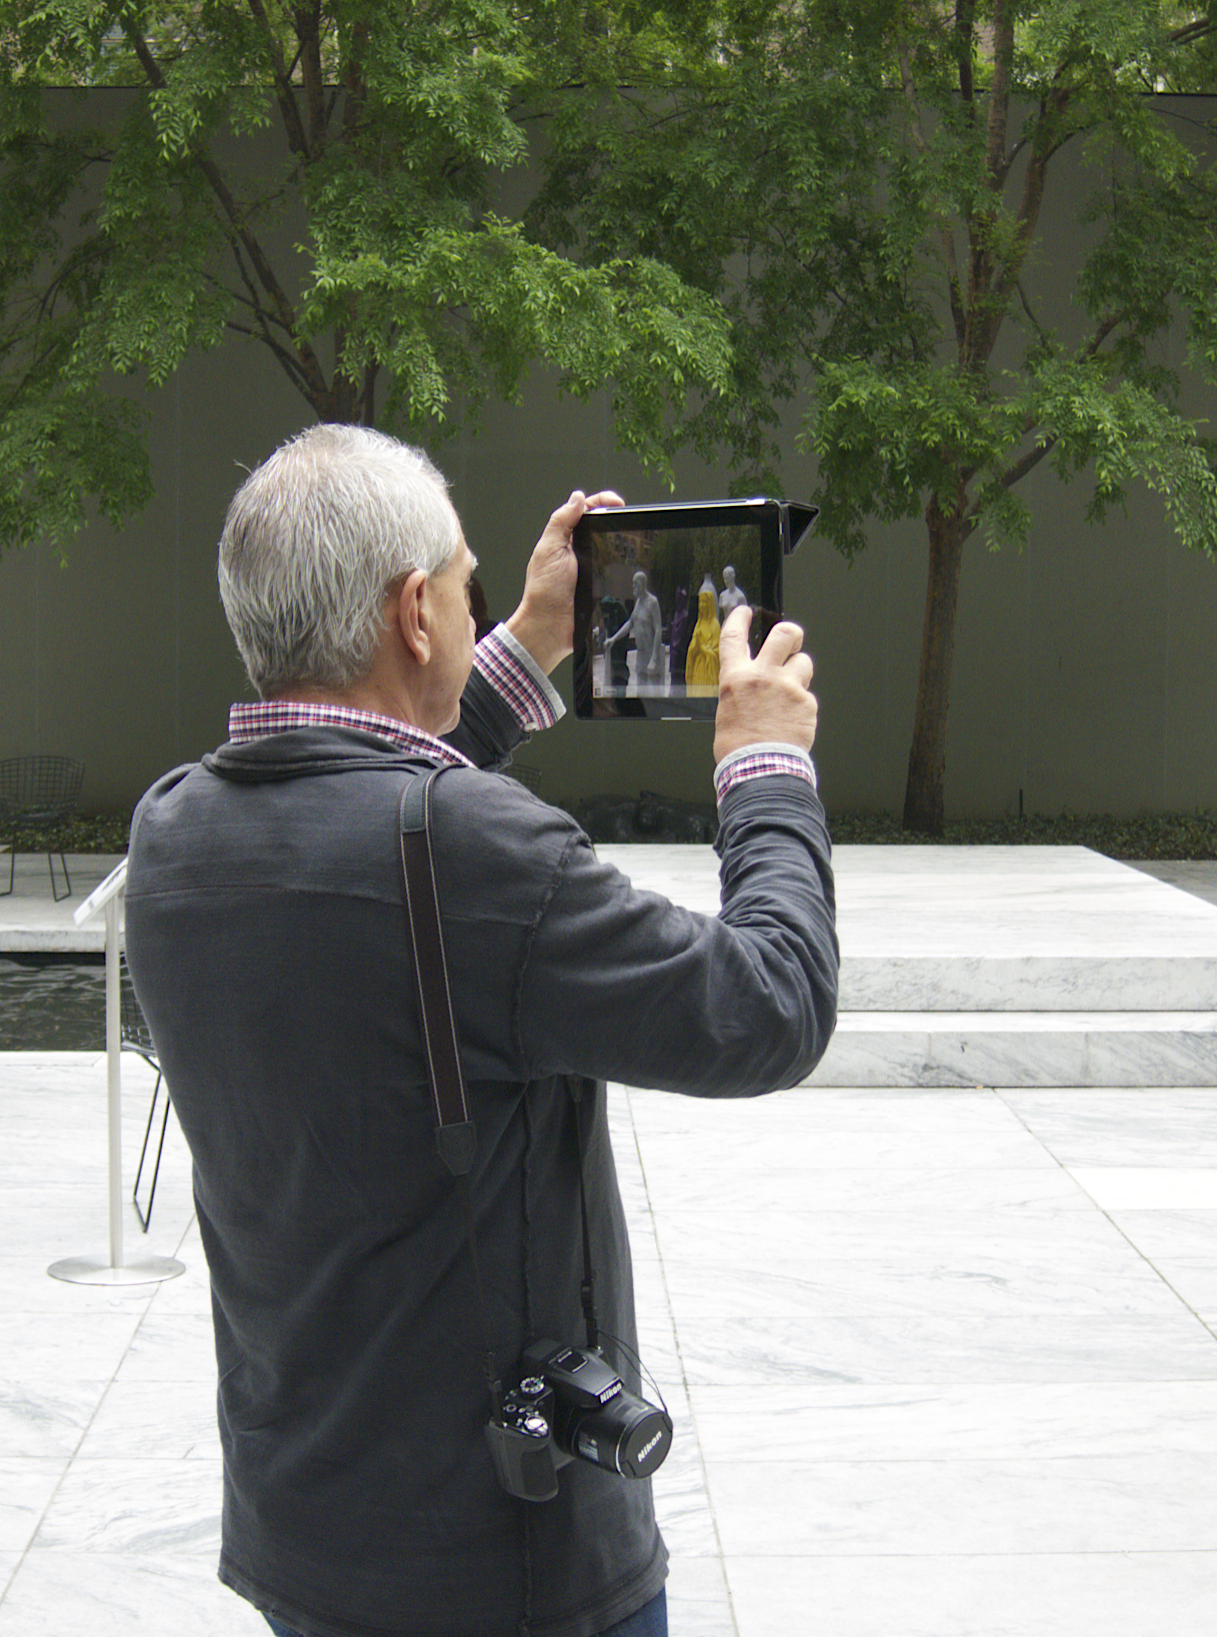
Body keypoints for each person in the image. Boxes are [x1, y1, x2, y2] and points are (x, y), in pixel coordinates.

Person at [123, 423, 837, 1637]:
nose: (473, 604)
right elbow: (769, 1006)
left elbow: (358, 800)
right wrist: (762, 768)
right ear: (414, 613)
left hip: (308, 1522)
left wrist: (531, 645)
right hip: (505, 1563)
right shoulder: (479, 851)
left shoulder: (173, 831)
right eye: (465, 586)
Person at [605, 570, 665, 690]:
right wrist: (613, 639)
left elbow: (658, 628)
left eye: (636, 583)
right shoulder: (638, 603)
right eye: (633, 583)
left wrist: (654, 657)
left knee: (654, 692)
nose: (633, 586)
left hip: (651, 653)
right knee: (641, 691)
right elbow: (630, 623)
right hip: (641, 654)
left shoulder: (652, 602)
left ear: (643, 584)